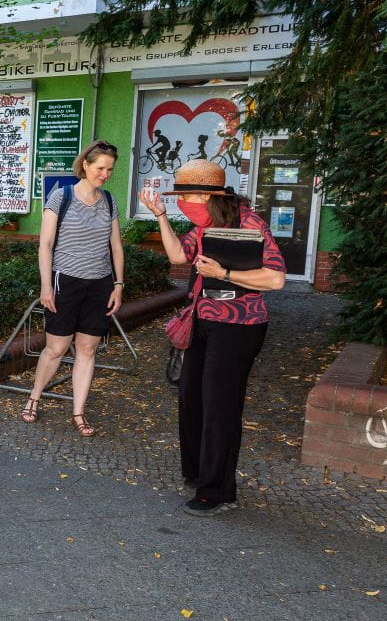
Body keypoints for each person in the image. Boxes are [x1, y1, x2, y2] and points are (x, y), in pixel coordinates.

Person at [139, 159, 285, 516]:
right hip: (203, 320)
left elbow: (276, 279)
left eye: (187, 195)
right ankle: (197, 473)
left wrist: (226, 272)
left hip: (239, 326)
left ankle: (218, 491)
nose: (183, 201)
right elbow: (177, 256)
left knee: (220, 407)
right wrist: (159, 215)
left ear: (210, 195)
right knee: (192, 398)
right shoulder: (203, 225)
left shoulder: (248, 223)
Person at [21, 140, 124, 437]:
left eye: (110, 170)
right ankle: (35, 397)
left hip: (100, 283)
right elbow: (46, 245)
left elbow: (116, 247)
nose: (105, 174)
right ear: (85, 166)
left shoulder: (109, 201)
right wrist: (45, 286)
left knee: (88, 348)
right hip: (64, 281)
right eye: (100, 168)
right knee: (56, 348)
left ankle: (78, 412)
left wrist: (118, 284)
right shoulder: (61, 197)